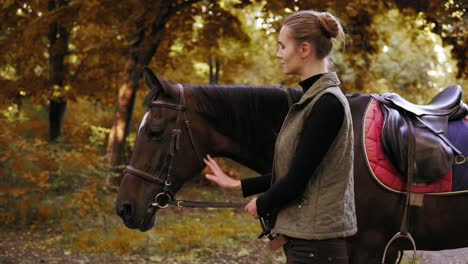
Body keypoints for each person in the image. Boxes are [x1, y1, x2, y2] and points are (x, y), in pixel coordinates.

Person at [204, 10, 356, 264]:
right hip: (308, 243)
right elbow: (295, 170)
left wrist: (261, 203)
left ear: (304, 49)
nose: (278, 54)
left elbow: (297, 181)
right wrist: (239, 185)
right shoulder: (313, 100)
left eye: (282, 46)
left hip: (316, 247)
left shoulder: (326, 104)